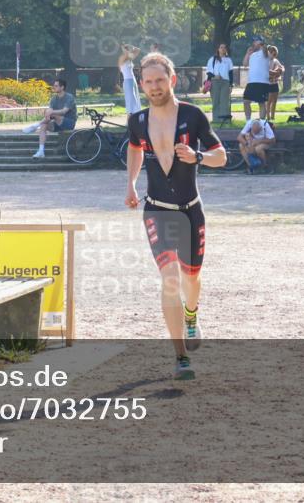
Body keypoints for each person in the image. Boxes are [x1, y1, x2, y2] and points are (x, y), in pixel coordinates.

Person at [124, 53, 226, 380]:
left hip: (190, 210)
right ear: (142, 85)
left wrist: (198, 156)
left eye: (160, 80)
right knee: (170, 279)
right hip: (157, 210)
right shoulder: (137, 121)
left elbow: (221, 156)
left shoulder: (193, 116)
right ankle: (180, 355)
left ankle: (191, 314)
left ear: (172, 80)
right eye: (148, 81)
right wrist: (131, 183)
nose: (154, 87)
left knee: (191, 277)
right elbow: (135, 149)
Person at [22, 79, 77, 158]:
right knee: (44, 125)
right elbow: (49, 112)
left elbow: (64, 111)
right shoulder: (54, 98)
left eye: (56, 86)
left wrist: (51, 112)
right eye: (54, 86)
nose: (54, 87)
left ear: (62, 87)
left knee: (53, 114)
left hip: (69, 123)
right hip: (57, 123)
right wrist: (48, 112)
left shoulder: (69, 97)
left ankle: (35, 125)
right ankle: (41, 151)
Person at [242, 35, 270, 121]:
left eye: (255, 41)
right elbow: (245, 64)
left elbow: (265, 48)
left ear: (261, 43)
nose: (253, 43)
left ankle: (262, 122)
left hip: (262, 82)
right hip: (251, 82)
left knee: (261, 103)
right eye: (253, 41)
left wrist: (261, 44)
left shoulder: (265, 52)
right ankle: (248, 121)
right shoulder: (252, 54)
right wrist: (247, 54)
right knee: (246, 101)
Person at [205, 44, 234, 124]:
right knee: (215, 101)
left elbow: (231, 73)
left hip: (225, 82)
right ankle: (216, 120)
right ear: (218, 49)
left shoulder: (228, 60)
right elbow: (209, 72)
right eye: (221, 47)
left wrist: (231, 85)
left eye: (224, 47)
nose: (223, 49)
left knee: (224, 101)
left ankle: (225, 120)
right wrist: (215, 76)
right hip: (215, 82)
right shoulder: (212, 59)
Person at [119, 44, 142, 115]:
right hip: (127, 81)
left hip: (133, 80)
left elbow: (138, 50)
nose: (128, 50)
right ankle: (129, 118)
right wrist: (124, 48)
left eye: (128, 49)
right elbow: (127, 54)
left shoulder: (129, 58)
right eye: (127, 49)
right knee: (130, 100)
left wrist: (130, 45)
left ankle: (135, 115)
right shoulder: (122, 58)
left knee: (135, 99)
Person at [265, 45, 284, 121]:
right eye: (273, 54)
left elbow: (282, 68)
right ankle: (268, 117)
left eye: (276, 54)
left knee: (274, 101)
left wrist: (280, 70)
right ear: (270, 52)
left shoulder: (275, 60)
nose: (275, 55)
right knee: (269, 101)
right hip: (268, 84)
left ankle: (273, 116)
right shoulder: (266, 61)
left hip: (275, 83)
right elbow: (267, 71)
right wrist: (276, 72)